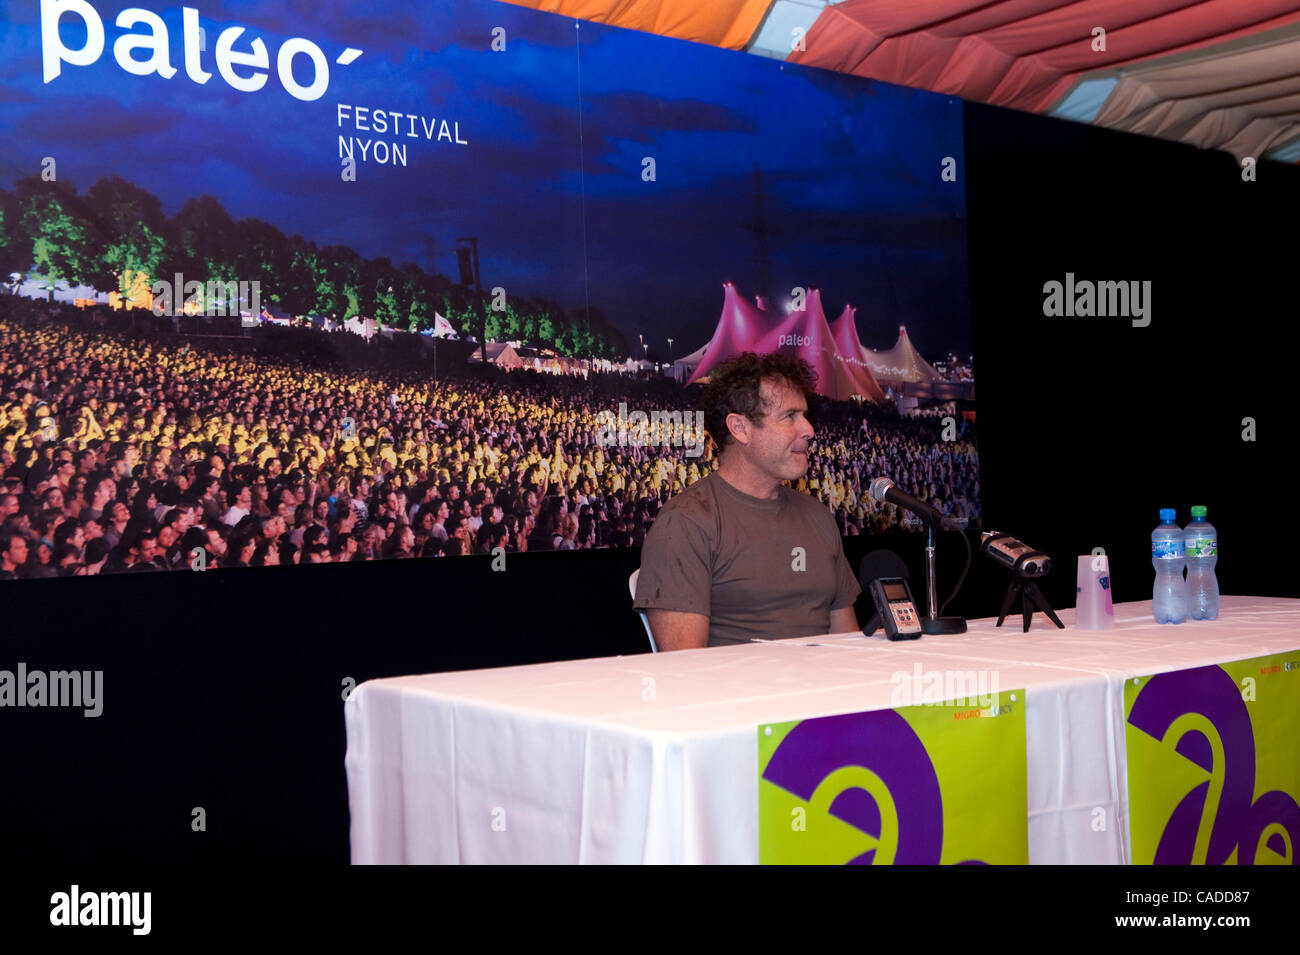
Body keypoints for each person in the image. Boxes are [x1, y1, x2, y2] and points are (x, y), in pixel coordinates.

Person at [634, 352, 860, 650]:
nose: (809, 429)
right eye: (789, 416)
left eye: (804, 415)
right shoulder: (687, 523)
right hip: (742, 694)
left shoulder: (817, 516)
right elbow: (686, 671)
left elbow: (849, 647)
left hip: (829, 691)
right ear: (740, 428)